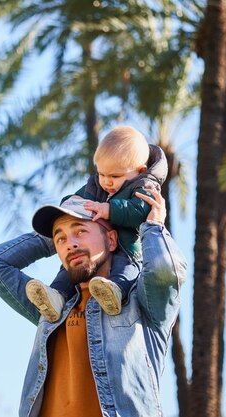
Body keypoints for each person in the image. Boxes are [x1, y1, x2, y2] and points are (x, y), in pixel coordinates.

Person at [0, 189, 186, 417]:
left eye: (80, 231)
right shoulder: (51, 307)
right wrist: (55, 233)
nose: (70, 244)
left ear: (112, 239)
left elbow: (166, 271)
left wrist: (152, 227)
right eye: (61, 239)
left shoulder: (140, 302)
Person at [26, 126, 168, 321]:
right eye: (102, 174)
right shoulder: (97, 184)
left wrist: (109, 210)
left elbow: (139, 211)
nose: (107, 182)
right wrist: (69, 203)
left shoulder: (145, 185)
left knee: (125, 270)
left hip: (127, 248)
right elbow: (78, 200)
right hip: (99, 246)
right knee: (67, 270)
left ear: (139, 171)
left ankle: (115, 293)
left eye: (115, 176)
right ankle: (55, 296)